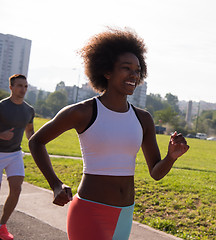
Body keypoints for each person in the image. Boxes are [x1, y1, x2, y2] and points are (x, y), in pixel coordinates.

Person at [28, 27, 189, 240]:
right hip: (89, 212)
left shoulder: (143, 119)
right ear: (107, 71)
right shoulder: (83, 112)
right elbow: (36, 141)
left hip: (125, 213)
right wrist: (55, 184)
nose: (133, 74)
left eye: (137, 70)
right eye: (126, 68)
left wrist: (171, 157)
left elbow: (156, 173)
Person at [0, 74, 35, 240]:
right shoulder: (1, 107)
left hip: (14, 153)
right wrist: (1, 134)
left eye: (26, 86)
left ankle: (2, 226)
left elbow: (29, 130)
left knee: (16, 189)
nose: (23, 89)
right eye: (20, 86)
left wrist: (35, 142)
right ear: (11, 88)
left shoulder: (29, 110)